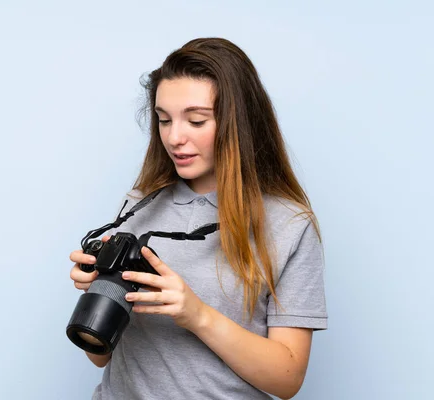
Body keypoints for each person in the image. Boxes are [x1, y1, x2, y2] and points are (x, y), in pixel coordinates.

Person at [69, 37, 327, 400]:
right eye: (163, 120)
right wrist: (97, 294)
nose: (174, 137)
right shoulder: (137, 207)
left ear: (239, 123)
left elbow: (287, 380)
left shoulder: (289, 226)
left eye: (196, 120)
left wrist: (196, 314)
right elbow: (101, 357)